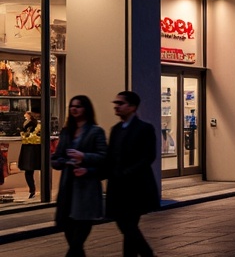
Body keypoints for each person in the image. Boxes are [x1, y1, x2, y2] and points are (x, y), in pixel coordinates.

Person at [51, 95, 106, 256]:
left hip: (86, 187)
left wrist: (84, 157)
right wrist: (62, 161)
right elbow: (56, 158)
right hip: (68, 186)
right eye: (72, 106)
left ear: (86, 109)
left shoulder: (96, 131)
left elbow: (104, 157)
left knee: (77, 240)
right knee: (71, 236)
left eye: (78, 106)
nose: (74, 109)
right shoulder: (67, 132)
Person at [107, 90, 158, 257]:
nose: (116, 107)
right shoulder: (115, 129)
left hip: (136, 186)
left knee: (128, 225)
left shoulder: (144, 128)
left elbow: (148, 156)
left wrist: (128, 172)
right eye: (116, 103)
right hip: (118, 186)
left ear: (132, 107)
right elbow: (111, 156)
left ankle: (146, 254)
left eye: (120, 103)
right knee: (127, 225)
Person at [18, 110, 42, 198]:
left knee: (28, 171)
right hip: (37, 148)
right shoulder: (38, 124)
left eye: (25, 113)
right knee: (37, 169)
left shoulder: (29, 124)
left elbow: (25, 135)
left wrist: (21, 132)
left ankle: (32, 190)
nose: (24, 115)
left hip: (29, 148)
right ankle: (40, 190)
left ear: (29, 115)